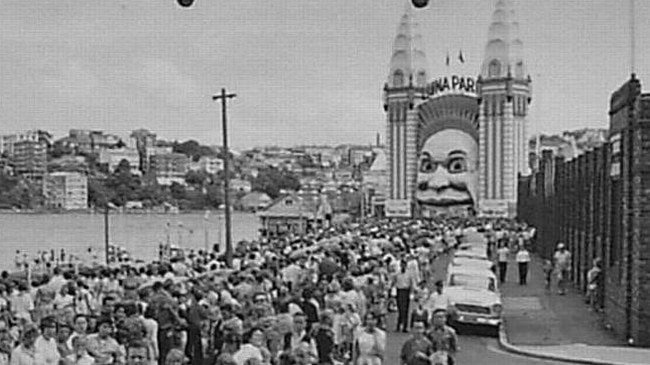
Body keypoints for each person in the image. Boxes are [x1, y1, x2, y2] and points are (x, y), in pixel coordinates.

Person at [392, 262, 415, 333]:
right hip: (399, 291)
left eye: (404, 265)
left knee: (405, 310)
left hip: (406, 291)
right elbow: (393, 282)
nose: (403, 267)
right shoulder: (397, 274)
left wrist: (411, 293)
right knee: (399, 309)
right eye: (402, 265)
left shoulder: (409, 274)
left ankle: (405, 327)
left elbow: (411, 284)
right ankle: (398, 326)